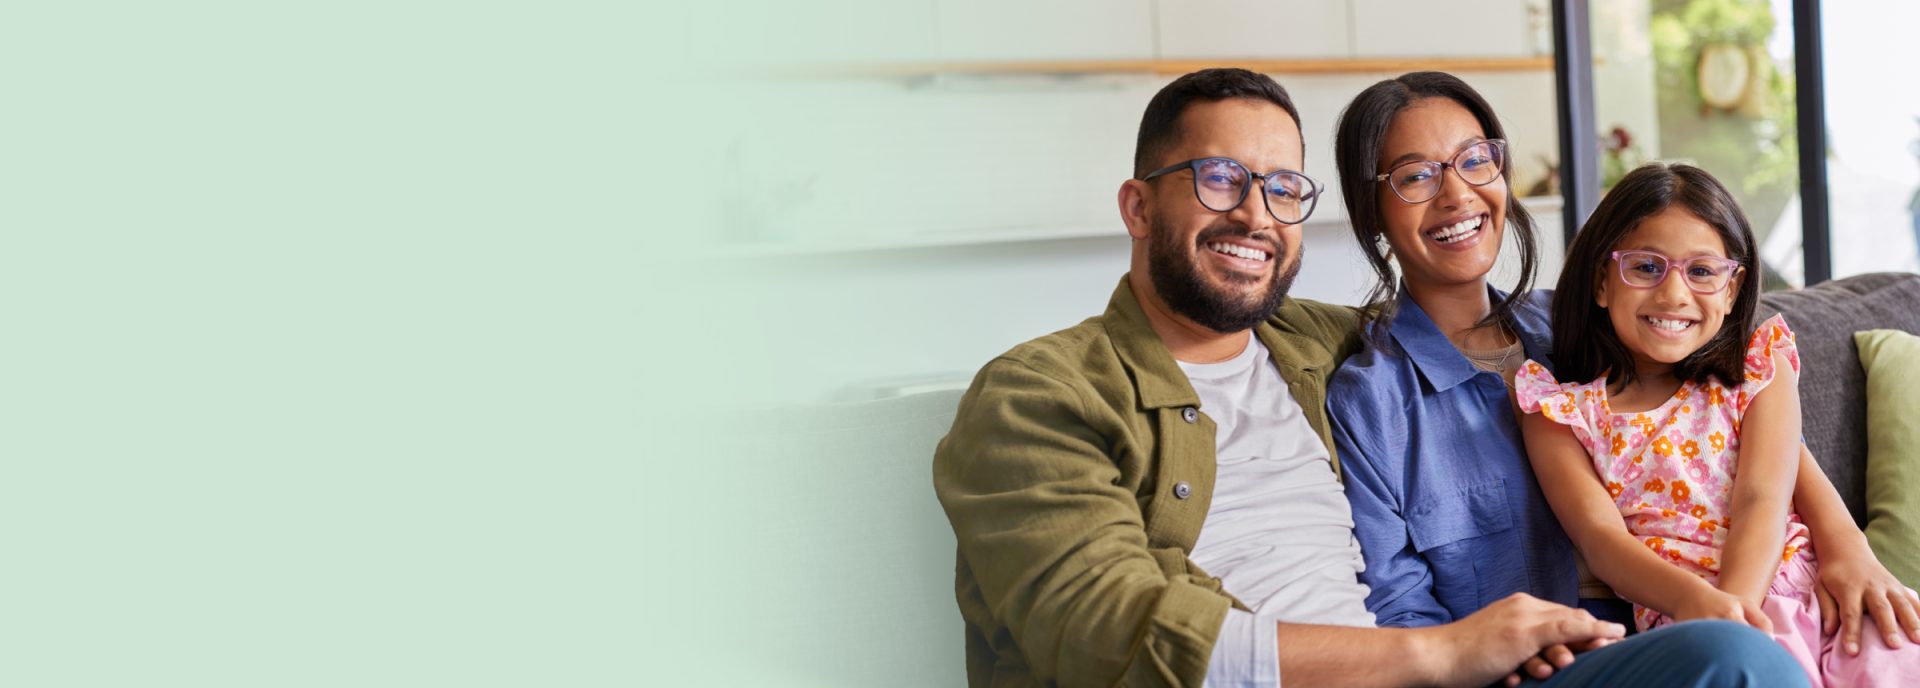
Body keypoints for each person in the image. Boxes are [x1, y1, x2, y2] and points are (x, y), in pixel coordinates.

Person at [933, 67, 1801, 688]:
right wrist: (1443, 652)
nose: (1253, 213)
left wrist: (1838, 544)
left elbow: (1724, 376)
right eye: (1218, 179)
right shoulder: (1040, 394)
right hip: (1414, 668)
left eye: (1280, 187)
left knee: (1741, 656)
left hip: (1541, 657)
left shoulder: (1313, 346)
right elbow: (1104, 627)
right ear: (1137, 205)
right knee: (1739, 658)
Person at [1325, 73, 1920, 681]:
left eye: (1476, 160)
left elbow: (1750, 430)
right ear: (1371, 208)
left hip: (1695, 636)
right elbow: (1400, 609)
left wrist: (1847, 542)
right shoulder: (1373, 400)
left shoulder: (1593, 322)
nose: (1457, 194)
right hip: (1546, 668)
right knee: (1742, 655)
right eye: (1417, 175)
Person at [1513, 163, 1920, 686]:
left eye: (1702, 271)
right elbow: (1601, 541)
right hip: (1691, 621)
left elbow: (1763, 499)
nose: (1674, 294)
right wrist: (1708, 609)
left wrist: (1739, 608)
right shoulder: (1559, 413)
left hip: (1812, 592)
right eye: (1645, 267)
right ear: (1600, 281)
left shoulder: (1758, 372)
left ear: (1733, 291)